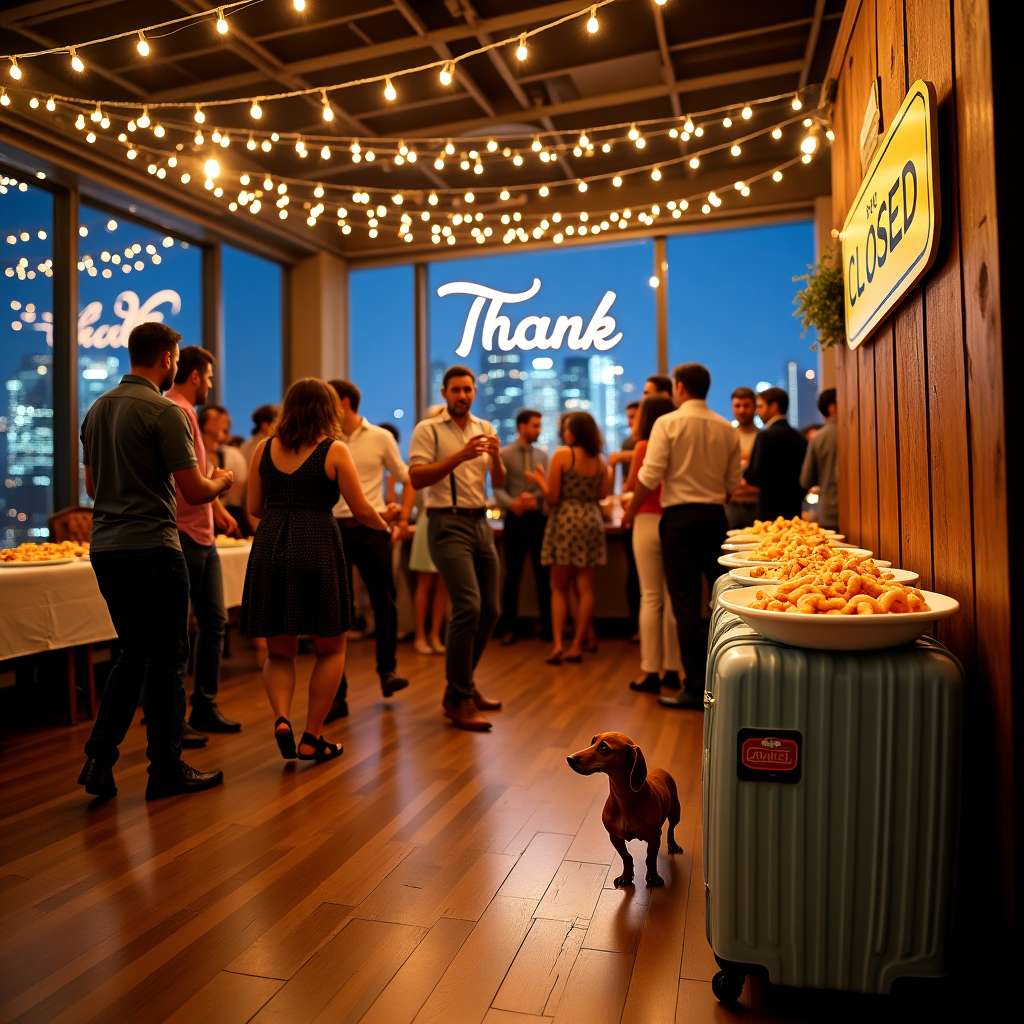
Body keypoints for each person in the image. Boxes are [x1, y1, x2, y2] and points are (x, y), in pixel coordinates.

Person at [77, 322, 232, 801]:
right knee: (167, 656)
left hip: (106, 548)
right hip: (153, 547)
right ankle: (165, 768)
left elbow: (93, 488)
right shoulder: (164, 412)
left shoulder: (96, 410)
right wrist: (221, 481)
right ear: (168, 360)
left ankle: (99, 759)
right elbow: (194, 491)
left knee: (132, 653)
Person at [241, 378, 387, 762]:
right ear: (328, 410)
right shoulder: (334, 450)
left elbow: (253, 507)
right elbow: (361, 509)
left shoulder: (263, 448)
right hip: (317, 542)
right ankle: (312, 736)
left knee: (279, 653)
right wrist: (385, 525)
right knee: (330, 649)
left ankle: (282, 718)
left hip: (271, 544)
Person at [622, 363, 741, 711]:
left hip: (679, 520)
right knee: (719, 600)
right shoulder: (726, 427)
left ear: (680, 388)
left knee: (685, 603)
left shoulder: (667, 423)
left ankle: (694, 688)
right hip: (715, 517)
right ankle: (725, 679)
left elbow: (650, 475)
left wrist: (630, 511)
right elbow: (732, 483)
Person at [408, 366, 506, 732]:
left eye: (468, 389)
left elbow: (499, 481)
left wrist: (496, 458)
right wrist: (460, 456)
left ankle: (463, 684)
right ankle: (458, 696)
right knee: (468, 606)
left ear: (474, 392)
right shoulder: (428, 429)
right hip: (446, 522)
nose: (462, 395)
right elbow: (416, 477)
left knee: (491, 609)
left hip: (480, 522)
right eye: (456, 390)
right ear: (445, 393)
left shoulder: (485, 427)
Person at [165, 346, 242, 737]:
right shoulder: (176, 411)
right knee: (180, 631)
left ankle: (203, 707)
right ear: (195, 376)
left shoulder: (184, 412)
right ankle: (174, 716)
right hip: (184, 533)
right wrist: (222, 484)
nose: (210, 385)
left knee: (214, 621)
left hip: (201, 531)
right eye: (209, 377)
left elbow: (194, 479)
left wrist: (218, 509)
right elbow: (189, 486)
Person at [327, 379, 409, 721]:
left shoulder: (380, 437)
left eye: (330, 400)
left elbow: (406, 476)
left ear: (344, 402)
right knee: (334, 611)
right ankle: (337, 694)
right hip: (333, 529)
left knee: (384, 601)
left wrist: (403, 518)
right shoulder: (326, 439)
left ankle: (387, 670)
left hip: (373, 528)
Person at [527, 411, 609, 665]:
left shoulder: (563, 454)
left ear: (575, 432)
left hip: (565, 520)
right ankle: (578, 646)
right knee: (585, 588)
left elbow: (552, 497)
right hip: (591, 520)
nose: (565, 432)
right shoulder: (600, 461)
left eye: (568, 428)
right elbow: (603, 494)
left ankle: (558, 645)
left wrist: (540, 481)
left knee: (558, 587)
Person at [623, 395, 682, 694]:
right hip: (672, 518)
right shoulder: (677, 443)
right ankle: (672, 669)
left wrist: (628, 510)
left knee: (650, 597)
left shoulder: (644, 446)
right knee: (673, 598)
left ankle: (650, 671)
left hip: (646, 519)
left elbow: (633, 485)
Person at [494, 408, 551, 645]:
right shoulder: (505, 454)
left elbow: (546, 486)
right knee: (513, 575)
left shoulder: (543, 455)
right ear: (522, 426)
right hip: (515, 520)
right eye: (535, 425)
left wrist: (533, 498)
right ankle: (509, 627)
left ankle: (549, 627)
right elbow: (497, 488)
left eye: (539, 426)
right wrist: (512, 504)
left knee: (544, 575)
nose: (539, 430)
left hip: (538, 519)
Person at [400, 405, 448, 655]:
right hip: (428, 520)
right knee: (425, 583)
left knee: (443, 584)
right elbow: (411, 487)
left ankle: (435, 634)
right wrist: (403, 520)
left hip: (448, 520)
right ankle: (420, 634)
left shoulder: (451, 459)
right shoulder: (422, 462)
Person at [745, 387, 808, 521]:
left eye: (760, 407)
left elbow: (756, 476)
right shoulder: (799, 438)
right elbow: (806, 478)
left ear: (774, 406)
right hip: (793, 510)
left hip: (768, 511)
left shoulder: (765, 436)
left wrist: (744, 469)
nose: (756, 412)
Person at [800, 388, 839, 529]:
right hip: (859, 511)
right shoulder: (858, 432)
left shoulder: (818, 438)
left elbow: (805, 480)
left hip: (828, 511)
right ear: (832, 407)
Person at [725, 387, 761, 530]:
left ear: (754, 407)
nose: (741, 410)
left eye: (746, 406)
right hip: (732, 505)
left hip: (757, 505)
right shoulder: (726, 436)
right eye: (737, 406)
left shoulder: (763, 437)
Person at [218, 409, 251, 535]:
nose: (224, 425)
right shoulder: (201, 452)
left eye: (226, 422)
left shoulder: (233, 454)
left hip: (233, 511)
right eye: (220, 421)